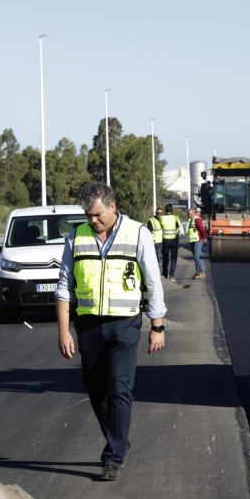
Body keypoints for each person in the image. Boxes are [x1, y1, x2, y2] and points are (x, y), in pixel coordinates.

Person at [55, 182, 166, 481]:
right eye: (89, 215)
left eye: (98, 214)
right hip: (88, 325)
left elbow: (153, 282)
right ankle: (118, 435)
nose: (93, 220)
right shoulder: (76, 237)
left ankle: (112, 457)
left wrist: (157, 325)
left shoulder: (138, 233)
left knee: (119, 387)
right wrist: (64, 332)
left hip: (125, 324)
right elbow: (64, 287)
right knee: (94, 389)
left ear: (113, 206)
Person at [159, 204, 180, 280]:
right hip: (174, 240)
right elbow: (178, 228)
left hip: (165, 240)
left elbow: (160, 227)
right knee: (173, 258)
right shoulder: (175, 218)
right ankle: (172, 276)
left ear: (165, 210)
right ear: (172, 210)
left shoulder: (162, 218)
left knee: (165, 258)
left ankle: (165, 274)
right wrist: (175, 233)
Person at [188, 207, 206, 279]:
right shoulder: (192, 220)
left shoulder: (197, 220)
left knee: (196, 256)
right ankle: (198, 272)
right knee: (195, 257)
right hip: (193, 240)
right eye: (188, 214)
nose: (189, 215)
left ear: (194, 213)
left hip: (198, 240)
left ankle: (201, 272)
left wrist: (203, 238)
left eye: (190, 214)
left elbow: (202, 230)